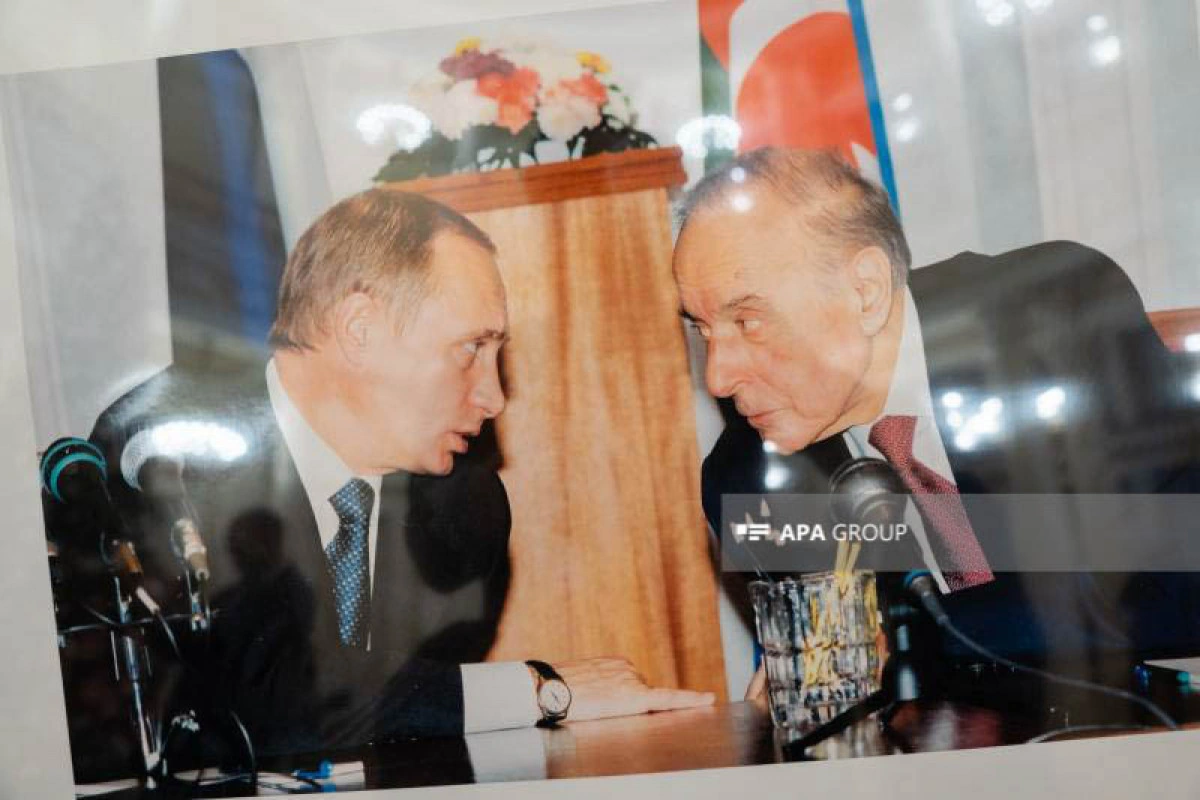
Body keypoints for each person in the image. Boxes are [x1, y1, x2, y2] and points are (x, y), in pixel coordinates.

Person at [79, 188, 711, 774]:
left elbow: (403, 722)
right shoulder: (164, 448)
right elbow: (260, 707)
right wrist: (540, 690)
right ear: (359, 330)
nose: (493, 397)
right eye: (471, 348)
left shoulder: (465, 508)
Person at [672, 147, 1200, 670]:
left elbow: (1169, 588)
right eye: (702, 329)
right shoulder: (745, 481)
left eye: (748, 322)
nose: (718, 377)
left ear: (865, 292)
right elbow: (828, 673)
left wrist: (906, 643)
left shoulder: (1060, 312)